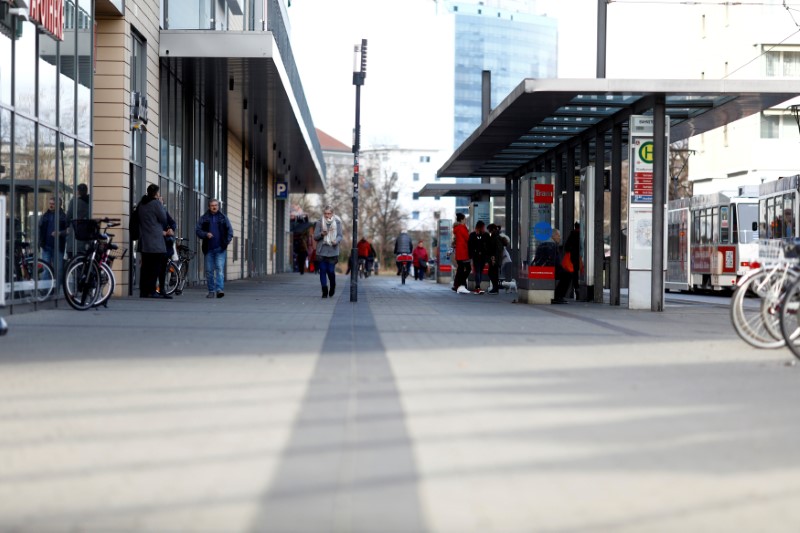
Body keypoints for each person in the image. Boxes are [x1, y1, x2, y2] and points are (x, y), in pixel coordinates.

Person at [136, 184, 172, 299]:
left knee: (145, 267)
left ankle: (144, 291)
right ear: (156, 193)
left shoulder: (141, 204)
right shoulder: (156, 204)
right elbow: (163, 218)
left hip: (145, 239)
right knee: (155, 267)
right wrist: (161, 205)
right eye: (158, 193)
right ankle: (152, 291)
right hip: (156, 240)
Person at [196, 198, 234, 299]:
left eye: (216, 205)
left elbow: (230, 232)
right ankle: (211, 291)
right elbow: (198, 230)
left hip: (220, 249)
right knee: (209, 271)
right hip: (208, 249)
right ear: (209, 207)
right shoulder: (204, 218)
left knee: (220, 269)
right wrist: (205, 234)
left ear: (218, 206)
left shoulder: (223, 218)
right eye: (212, 205)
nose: (214, 207)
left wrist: (226, 242)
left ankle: (219, 290)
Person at [314, 205, 343, 298]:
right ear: (324, 213)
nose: (327, 215)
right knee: (322, 270)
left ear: (332, 213)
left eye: (329, 213)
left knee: (330, 271)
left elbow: (340, 235)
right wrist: (321, 234)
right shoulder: (319, 223)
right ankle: (324, 289)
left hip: (333, 251)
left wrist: (336, 241)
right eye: (325, 213)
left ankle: (333, 285)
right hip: (321, 251)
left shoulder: (337, 222)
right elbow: (315, 237)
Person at [38, 197, 68, 274]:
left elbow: (68, 230)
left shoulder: (63, 216)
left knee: (58, 269)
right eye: (50, 203)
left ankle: (58, 285)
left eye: (53, 204)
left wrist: (60, 233)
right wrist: (40, 242)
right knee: (46, 269)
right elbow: (40, 229)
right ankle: (46, 286)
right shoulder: (45, 216)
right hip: (46, 247)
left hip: (58, 248)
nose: (51, 205)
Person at [66, 183, 90, 255]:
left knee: (73, 262)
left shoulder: (74, 202)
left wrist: (67, 226)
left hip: (74, 237)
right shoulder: (90, 202)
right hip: (85, 237)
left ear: (78, 192)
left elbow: (68, 216)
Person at [468, 220, 489, 294]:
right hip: (482, 256)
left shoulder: (472, 235)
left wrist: (470, 255)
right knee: (479, 271)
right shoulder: (486, 235)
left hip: (476, 256)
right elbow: (488, 247)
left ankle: (478, 286)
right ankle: (478, 286)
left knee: (478, 271)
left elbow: (470, 246)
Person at [452, 213, 471, 294]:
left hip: (459, 252)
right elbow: (467, 238)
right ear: (462, 219)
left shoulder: (457, 228)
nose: (465, 220)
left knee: (460, 269)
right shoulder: (462, 228)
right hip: (463, 251)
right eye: (465, 219)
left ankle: (457, 285)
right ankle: (461, 285)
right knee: (467, 268)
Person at [485, 224, 504, 294]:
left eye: (489, 230)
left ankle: (495, 288)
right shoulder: (497, 235)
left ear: (492, 229)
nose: (489, 231)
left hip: (494, 257)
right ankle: (495, 288)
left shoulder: (495, 236)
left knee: (492, 273)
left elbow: (492, 247)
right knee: (494, 273)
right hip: (496, 257)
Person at [564, 221, 580, 298]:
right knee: (576, 274)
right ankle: (577, 289)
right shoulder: (583, 235)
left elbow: (566, 247)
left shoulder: (572, 235)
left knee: (574, 275)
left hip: (573, 258)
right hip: (578, 258)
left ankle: (576, 289)